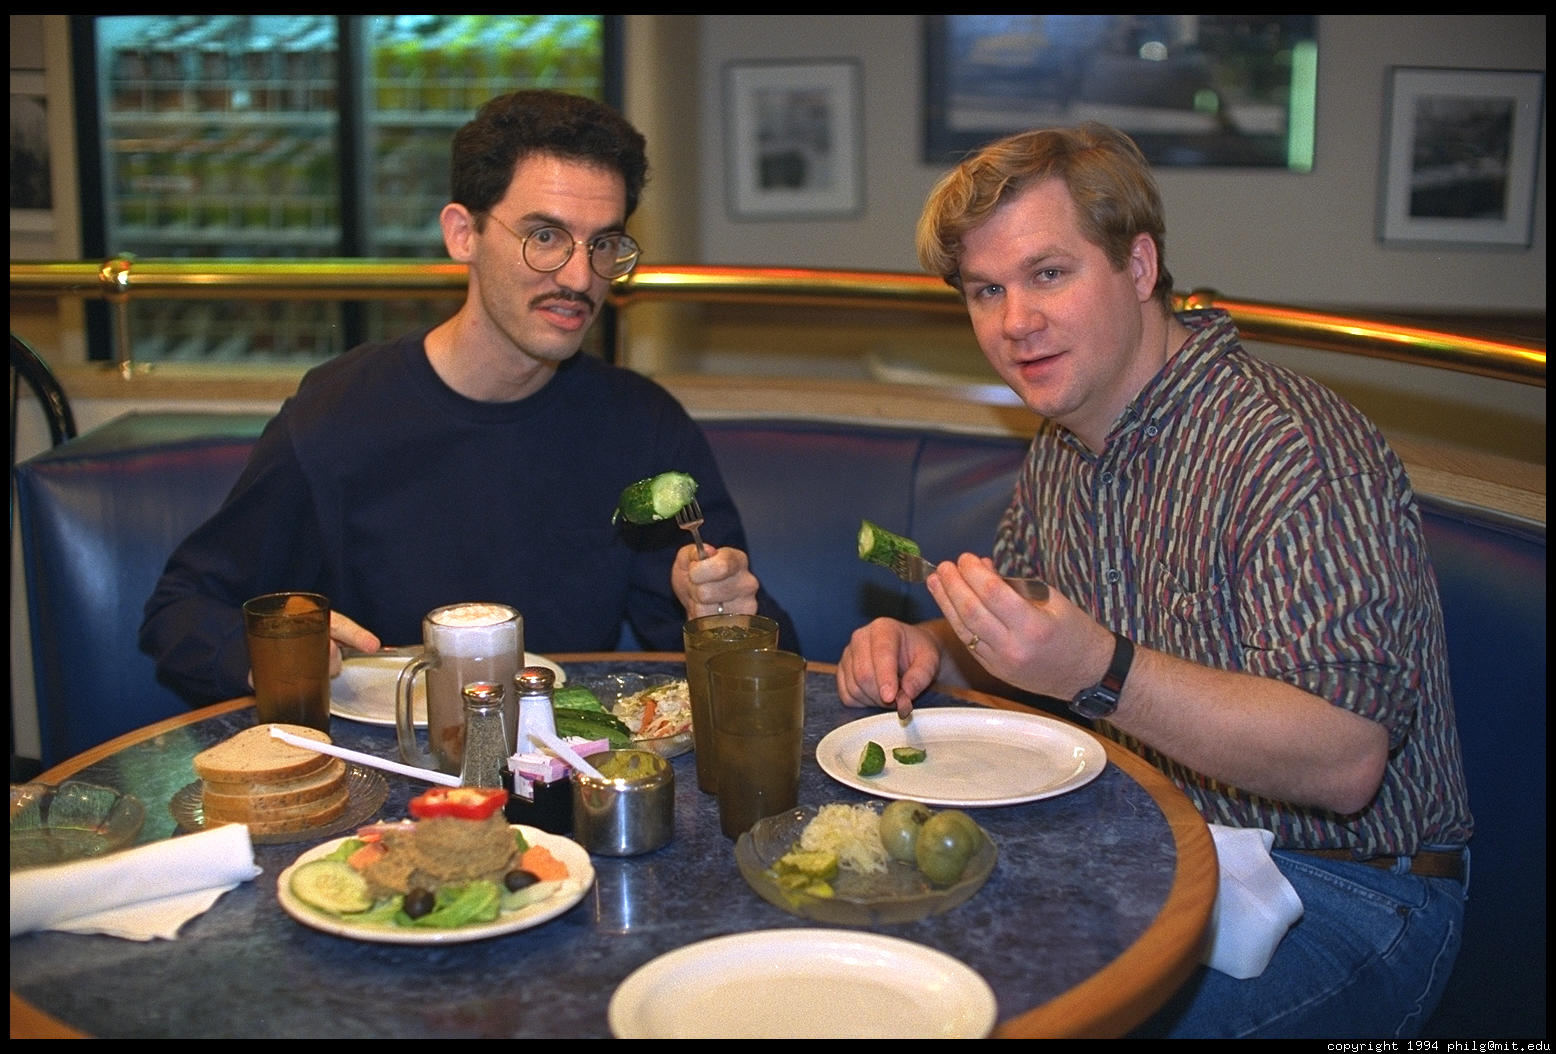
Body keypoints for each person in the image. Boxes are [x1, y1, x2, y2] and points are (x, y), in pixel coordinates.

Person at [836, 123, 1470, 1039]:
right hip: (1152, 853)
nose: (1015, 322)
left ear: (1138, 267)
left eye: (1049, 273)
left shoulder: (1292, 448)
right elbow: (1037, 638)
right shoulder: (1065, 441)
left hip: (1350, 892)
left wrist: (1101, 669)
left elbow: (1345, 761)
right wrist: (929, 646)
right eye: (987, 290)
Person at [141, 89, 797, 705]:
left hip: (564, 761)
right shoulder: (341, 412)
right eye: (545, 236)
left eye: (603, 243)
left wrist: (725, 617)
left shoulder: (641, 425)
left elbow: (763, 663)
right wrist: (279, 650)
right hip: (386, 763)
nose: (580, 277)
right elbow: (181, 610)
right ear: (463, 234)